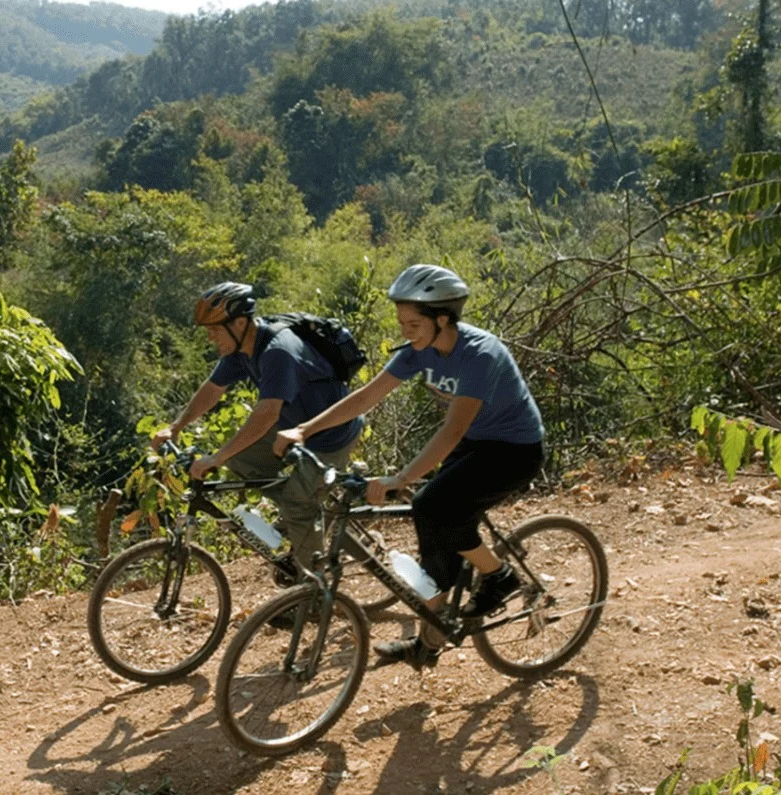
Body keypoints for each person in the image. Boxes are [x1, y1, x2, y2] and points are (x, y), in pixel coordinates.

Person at [273, 264, 545, 669]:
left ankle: (499, 576)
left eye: (413, 322)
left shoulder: (480, 355)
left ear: (443, 318)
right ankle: (428, 642)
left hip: (514, 449)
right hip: (476, 444)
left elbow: (451, 432)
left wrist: (402, 478)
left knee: (433, 506)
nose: (405, 330)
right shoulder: (420, 351)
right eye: (401, 321)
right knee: (434, 539)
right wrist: (305, 429)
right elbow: (367, 397)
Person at [149, 282, 363, 577]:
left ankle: (313, 588)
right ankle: (304, 515)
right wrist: (175, 428)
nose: (211, 338)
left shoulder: (277, 350)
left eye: (215, 329)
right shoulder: (243, 348)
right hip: (293, 427)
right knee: (242, 457)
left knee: (298, 505)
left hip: (330, 434)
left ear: (239, 322)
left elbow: (265, 415)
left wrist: (216, 458)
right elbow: (212, 389)